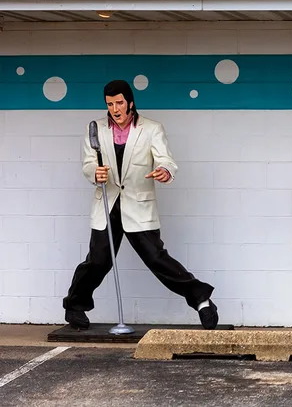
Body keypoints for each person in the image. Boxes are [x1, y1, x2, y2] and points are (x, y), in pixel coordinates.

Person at [62, 80, 218, 330]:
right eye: (110, 104)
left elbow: (166, 160)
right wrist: (95, 173)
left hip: (138, 205)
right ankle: (75, 305)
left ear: (130, 102)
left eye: (120, 103)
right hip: (108, 203)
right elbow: (88, 163)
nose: (115, 108)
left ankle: (201, 299)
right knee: (98, 261)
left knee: (157, 259)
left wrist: (164, 171)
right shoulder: (96, 129)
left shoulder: (152, 128)